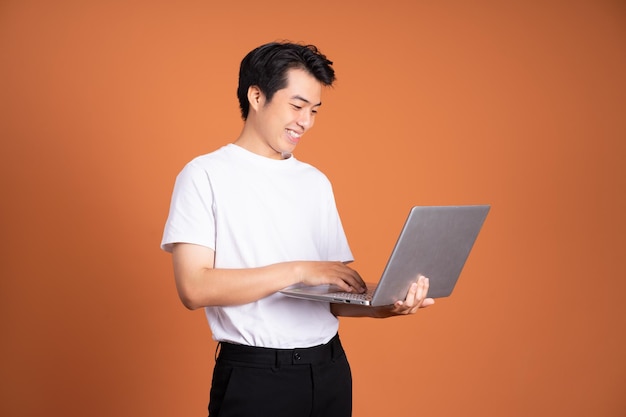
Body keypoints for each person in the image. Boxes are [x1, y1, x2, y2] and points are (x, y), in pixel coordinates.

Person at [161, 41, 435, 417]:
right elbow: (194, 288)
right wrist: (300, 269)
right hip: (255, 376)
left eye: (314, 111)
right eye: (297, 106)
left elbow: (330, 294)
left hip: (328, 369)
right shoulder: (204, 175)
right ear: (256, 96)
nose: (305, 122)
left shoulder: (315, 182)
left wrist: (383, 306)